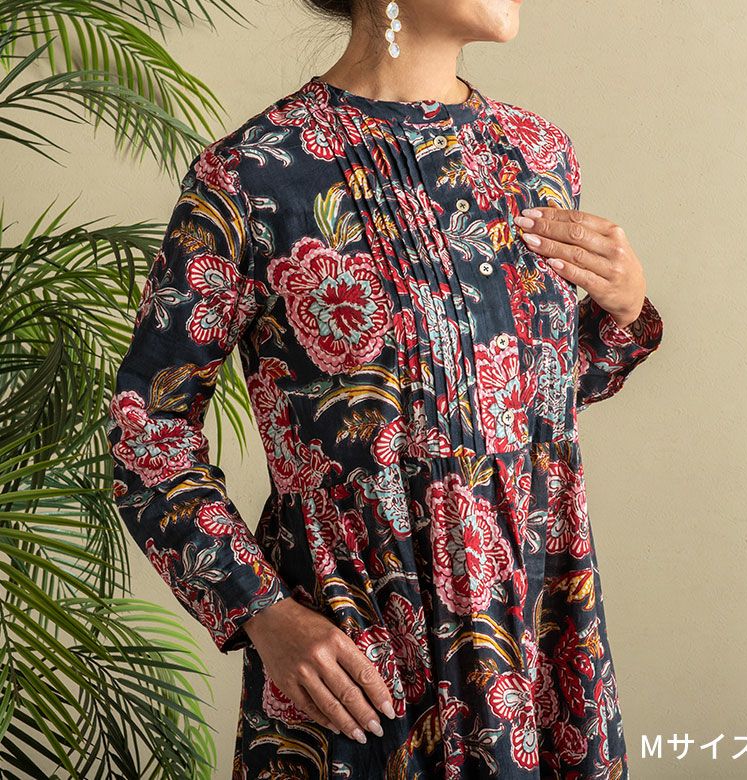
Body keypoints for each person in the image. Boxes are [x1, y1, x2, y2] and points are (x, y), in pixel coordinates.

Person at [106, 0, 664, 776]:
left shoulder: (537, 154)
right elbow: (146, 431)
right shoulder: (254, 174)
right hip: (361, 651)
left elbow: (528, 399)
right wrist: (260, 610)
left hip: (532, 625)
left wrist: (625, 308)